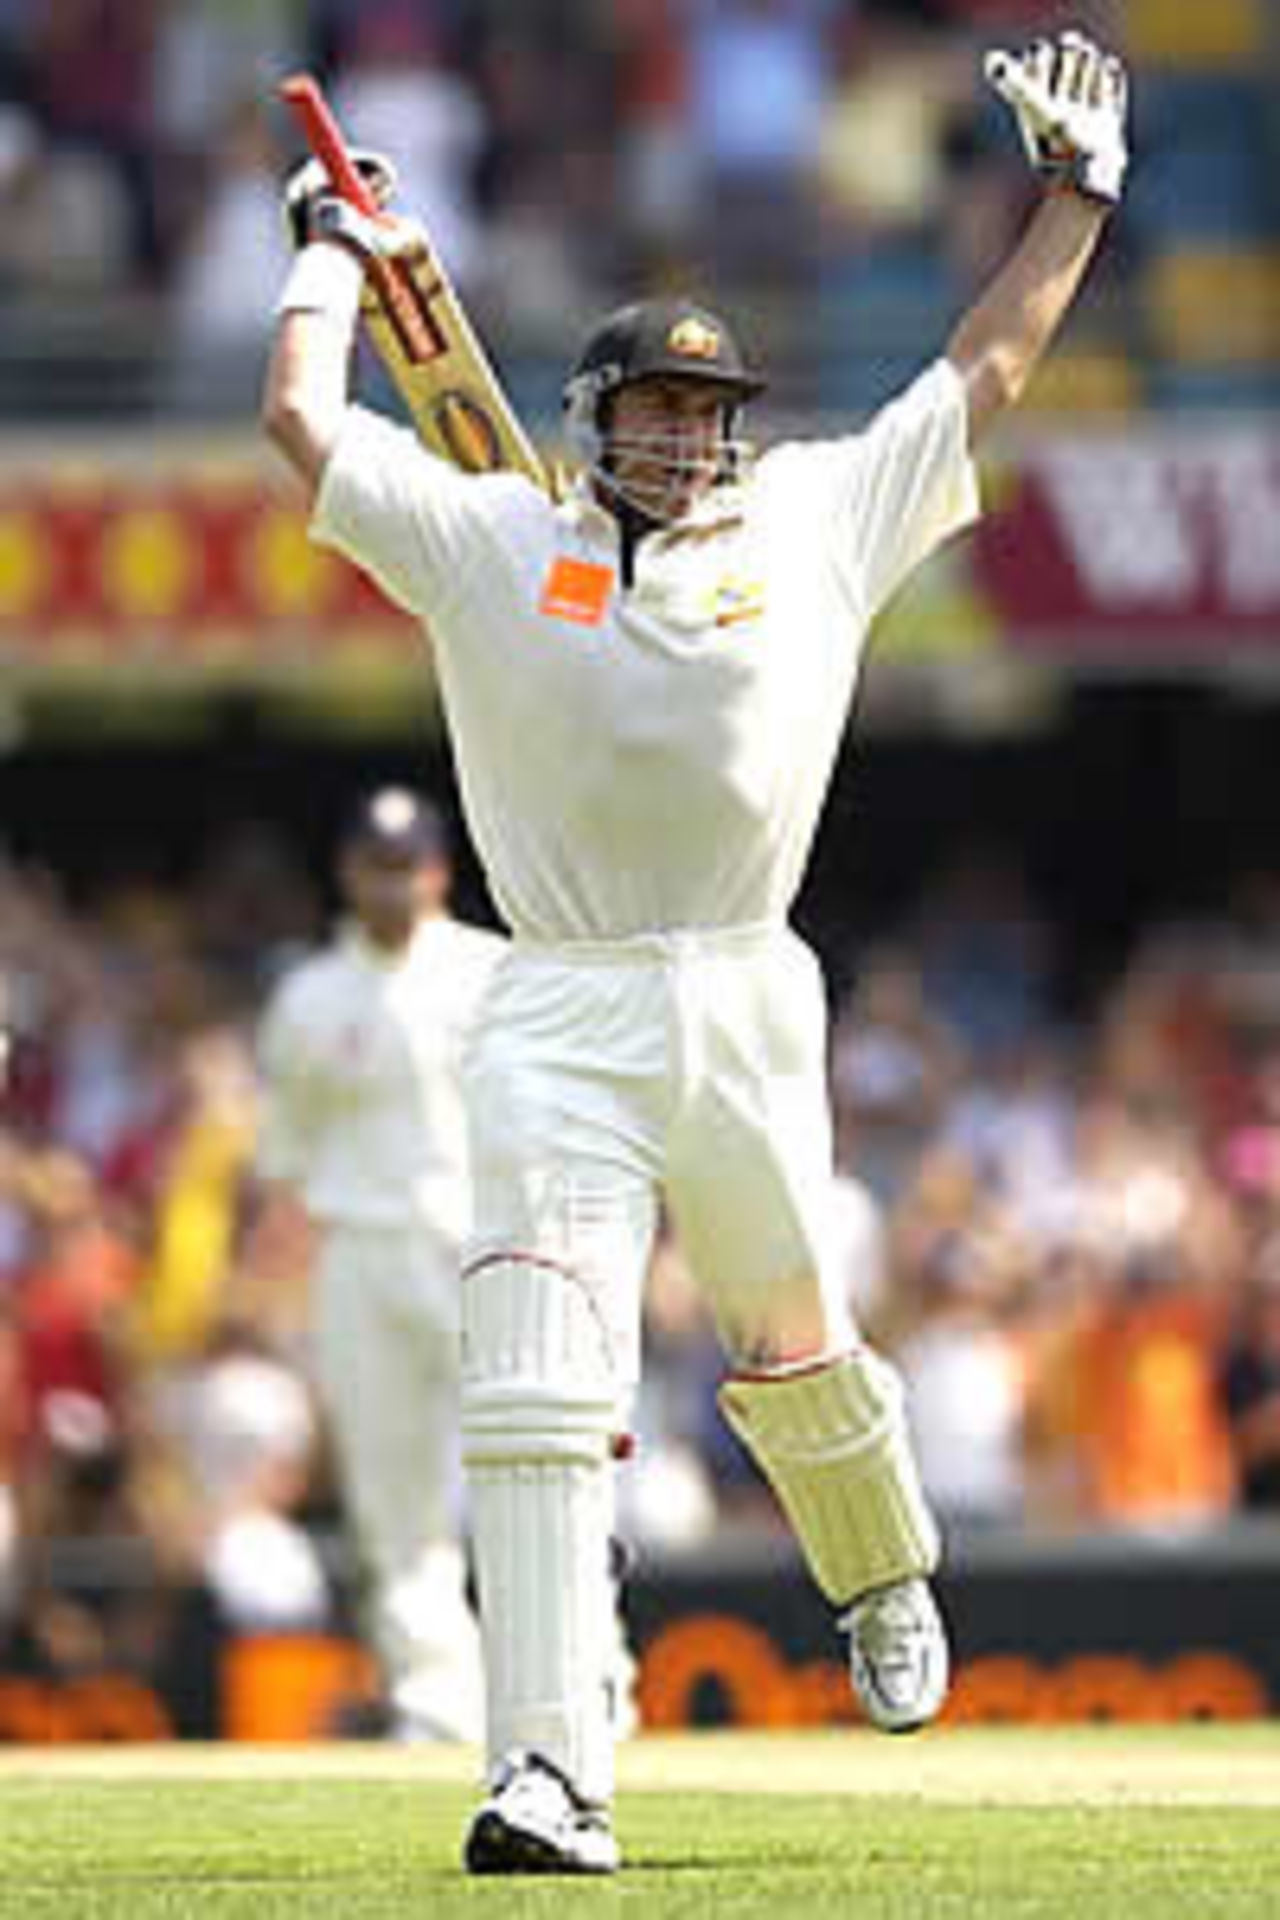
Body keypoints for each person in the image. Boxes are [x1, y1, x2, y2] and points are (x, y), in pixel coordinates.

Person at [262, 28, 1130, 1873]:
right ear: (591, 421)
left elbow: (980, 369)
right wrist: (325, 265)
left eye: (702, 410)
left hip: (745, 991)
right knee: (539, 1375)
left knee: (790, 1343)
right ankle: (546, 1775)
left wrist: (1079, 194)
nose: (679, 434)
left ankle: (881, 1568)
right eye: (649, 408)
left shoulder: (815, 518)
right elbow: (303, 425)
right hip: (552, 996)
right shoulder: (496, 539)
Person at [253, 786, 504, 1741]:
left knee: (532, 1467)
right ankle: (438, 1703)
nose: (393, 885)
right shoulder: (312, 997)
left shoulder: (494, 975)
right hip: (361, 1250)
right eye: (375, 866)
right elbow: (287, 1158)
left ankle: (582, 1682)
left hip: (486, 1246)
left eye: (408, 866)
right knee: (391, 1497)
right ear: (347, 872)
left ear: (438, 870)